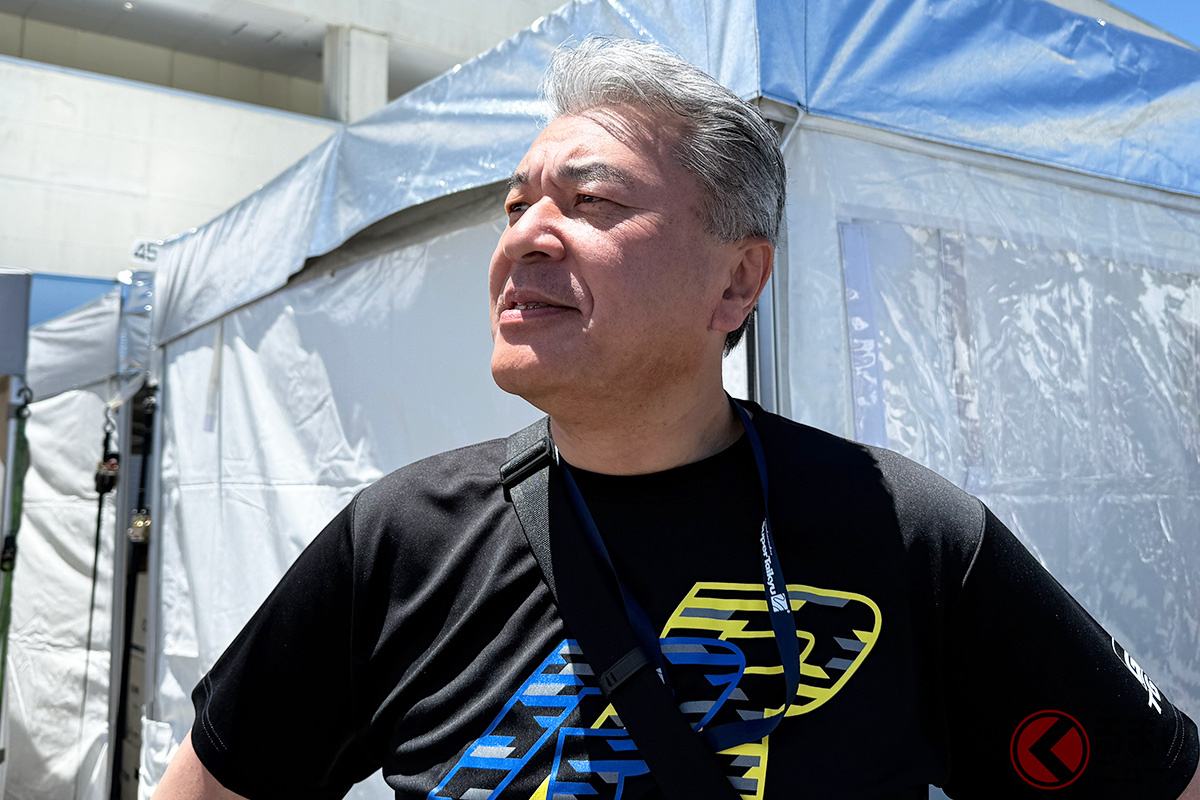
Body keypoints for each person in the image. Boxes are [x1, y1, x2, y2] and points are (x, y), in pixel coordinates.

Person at [154, 36, 1199, 800]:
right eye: (517, 205)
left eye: (592, 202)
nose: (526, 237)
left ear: (737, 283)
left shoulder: (903, 531)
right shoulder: (400, 540)